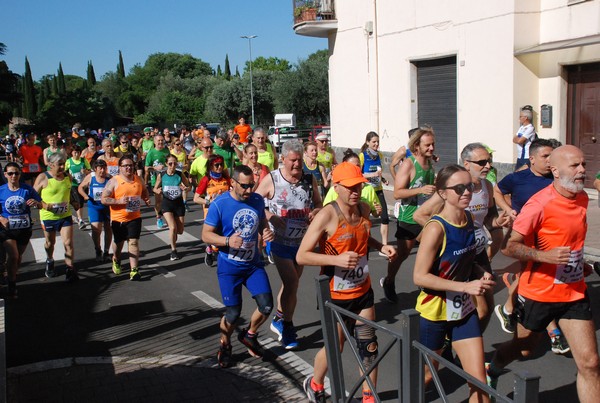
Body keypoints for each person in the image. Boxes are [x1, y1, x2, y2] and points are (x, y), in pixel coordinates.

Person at [486, 145, 600, 403]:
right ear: (556, 171)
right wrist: (544, 257)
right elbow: (509, 247)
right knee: (524, 349)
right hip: (538, 292)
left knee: (591, 363)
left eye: (583, 164)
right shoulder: (539, 204)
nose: (582, 170)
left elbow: (569, 241)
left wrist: (578, 264)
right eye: (575, 166)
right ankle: (493, 367)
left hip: (573, 293)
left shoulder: (581, 198)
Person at [297, 161, 397, 403]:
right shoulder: (327, 215)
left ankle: (368, 397)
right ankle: (315, 383)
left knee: (369, 347)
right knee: (336, 347)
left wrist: (380, 246)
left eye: (359, 187)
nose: (356, 192)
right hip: (336, 296)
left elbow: (362, 236)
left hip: (362, 291)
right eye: (350, 187)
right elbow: (302, 255)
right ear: (337, 186)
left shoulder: (363, 208)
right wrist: (337, 259)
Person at [414, 164, 495, 403]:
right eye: (459, 188)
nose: (467, 192)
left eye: (469, 186)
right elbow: (419, 276)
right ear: (442, 193)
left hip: (463, 310)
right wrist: (465, 287)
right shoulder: (435, 228)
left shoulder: (469, 218)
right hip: (434, 310)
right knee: (427, 376)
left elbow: (468, 257)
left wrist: (481, 272)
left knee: (479, 382)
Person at [414, 143, 511, 333]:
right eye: (481, 162)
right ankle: (453, 344)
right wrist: (446, 236)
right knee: (467, 307)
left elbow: (489, 219)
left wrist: (497, 223)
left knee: (487, 307)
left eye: (489, 161)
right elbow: (420, 215)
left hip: (477, 251)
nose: (487, 166)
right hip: (455, 252)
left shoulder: (487, 187)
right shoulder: (451, 190)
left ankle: (464, 345)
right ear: (466, 164)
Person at [492, 138, 570, 354]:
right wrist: (508, 210)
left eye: (552, 156)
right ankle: (554, 333)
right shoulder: (518, 178)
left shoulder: (557, 179)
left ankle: (508, 308)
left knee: (534, 277)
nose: (550, 161)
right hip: (523, 238)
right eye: (545, 156)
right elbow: (497, 190)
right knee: (537, 278)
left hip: (550, 237)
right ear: (532, 159)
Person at [201, 165, 275, 368]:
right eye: (244, 186)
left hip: (252, 265)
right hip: (229, 267)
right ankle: (225, 345)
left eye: (252, 185)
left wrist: (267, 232)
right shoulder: (220, 204)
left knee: (267, 305)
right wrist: (226, 242)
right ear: (232, 183)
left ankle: (249, 335)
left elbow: (261, 222)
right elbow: (205, 234)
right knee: (233, 313)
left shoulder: (257, 200)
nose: (249, 190)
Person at [256, 139, 323, 350]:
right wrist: (271, 217)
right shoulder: (272, 180)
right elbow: (254, 204)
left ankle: (278, 317)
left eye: (299, 160)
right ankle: (287, 326)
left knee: (289, 285)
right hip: (279, 242)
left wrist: (315, 212)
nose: (297, 165)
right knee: (293, 283)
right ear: (282, 159)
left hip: (302, 243)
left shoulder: (308, 179)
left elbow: (319, 202)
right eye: (293, 161)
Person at [380, 127, 436, 303]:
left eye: (433, 144)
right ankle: (389, 281)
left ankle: (427, 284)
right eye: (428, 145)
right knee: (402, 254)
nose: (432, 148)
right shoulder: (409, 164)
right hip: (409, 217)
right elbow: (397, 193)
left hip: (426, 215)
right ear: (417, 146)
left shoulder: (430, 163)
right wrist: (420, 189)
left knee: (432, 250)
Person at [101, 155, 151, 281]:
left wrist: (146, 198)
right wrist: (119, 201)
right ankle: (116, 259)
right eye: (125, 166)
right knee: (119, 243)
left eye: (131, 165)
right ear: (120, 168)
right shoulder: (114, 181)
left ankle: (134, 270)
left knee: (133, 242)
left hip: (135, 217)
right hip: (119, 219)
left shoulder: (138, 179)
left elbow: (144, 190)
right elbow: (104, 199)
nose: (129, 168)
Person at [34, 152, 79, 282]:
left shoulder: (67, 177)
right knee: (50, 243)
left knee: (68, 243)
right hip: (48, 216)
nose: (62, 167)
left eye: (63, 164)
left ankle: (70, 270)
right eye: (59, 164)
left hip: (65, 215)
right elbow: (32, 197)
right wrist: (43, 205)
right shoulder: (43, 178)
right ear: (51, 165)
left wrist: (73, 201)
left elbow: (69, 191)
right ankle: (49, 260)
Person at [0, 163, 42, 298]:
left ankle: (10, 272)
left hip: (24, 228)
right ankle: (12, 286)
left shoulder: (27, 189)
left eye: (16, 173)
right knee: (13, 256)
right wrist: (1, 219)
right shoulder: (1, 190)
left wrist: (36, 204)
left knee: (17, 258)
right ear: (5, 174)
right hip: (7, 230)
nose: (14, 176)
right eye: (10, 173)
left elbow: (41, 204)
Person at [194, 155, 231, 266]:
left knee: (224, 233)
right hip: (211, 211)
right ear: (210, 166)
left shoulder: (226, 178)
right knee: (212, 234)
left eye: (221, 164)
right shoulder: (206, 180)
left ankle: (222, 255)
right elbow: (196, 198)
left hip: (225, 211)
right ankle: (209, 249)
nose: (220, 167)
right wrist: (210, 202)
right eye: (216, 165)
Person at [322, 149, 382, 218]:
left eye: (358, 166)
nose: (355, 169)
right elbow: (325, 212)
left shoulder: (369, 188)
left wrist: (377, 212)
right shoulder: (335, 189)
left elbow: (375, 212)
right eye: (351, 166)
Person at [154, 154, 191, 261]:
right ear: (166, 164)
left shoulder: (180, 174)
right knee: (173, 227)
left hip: (178, 203)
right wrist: (158, 191)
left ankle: (173, 240)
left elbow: (189, 186)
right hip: (167, 203)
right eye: (170, 163)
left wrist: (185, 189)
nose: (172, 165)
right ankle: (173, 250)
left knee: (180, 231)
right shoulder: (162, 175)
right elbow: (155, 188)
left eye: (175, 163)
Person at [358, 132, 390, 252]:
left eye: (378, 142)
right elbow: (358, 174)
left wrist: (382, 179)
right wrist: (372, 175)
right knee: (364, 218)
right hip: (366, 190)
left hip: (378, 189)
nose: (376, 144)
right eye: (373, 142)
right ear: (367, 142)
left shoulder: (379, 155)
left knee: (385, 217)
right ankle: (364, 242)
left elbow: (378, 172)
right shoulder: (362, 156)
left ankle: (384, 245)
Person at [78, 159, 112, 262]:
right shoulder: (91, 177)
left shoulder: (110, 178)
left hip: (107, 207)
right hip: (94, 206)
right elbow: (80, 187)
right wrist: (85, 196)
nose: (102, 170)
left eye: (104, 168)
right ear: (95, 169)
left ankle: (106, 252)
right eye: (100, 168)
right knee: (96, 229)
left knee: (108, 229)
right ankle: (98, 249)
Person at [145, 134, 171, 229]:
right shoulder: (151, 152)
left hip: (167, 178)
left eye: (162, 140)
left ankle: (169, 218)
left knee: (168, 199)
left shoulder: (166, 151)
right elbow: (146, 168)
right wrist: (155, 167)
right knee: (158, 200)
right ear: (154, 142)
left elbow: (170, 162)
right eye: (158, 141)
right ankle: (159, 217)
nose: (160, 142)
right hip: (155, 180)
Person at [65, 145, 91, 229]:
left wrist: (85, 171)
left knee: (84, 201)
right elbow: (64, 172)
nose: (77, 154)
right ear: (72, 153)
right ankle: (80, 220)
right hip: (74, 184)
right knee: (78, 201)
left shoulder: (84, 160)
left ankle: (88, 217)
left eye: (78, 152)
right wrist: (69, 176)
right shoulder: (69, 161)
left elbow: (90, 171)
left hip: (83, 184)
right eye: (75, 152)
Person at [513, 105, 537, 170]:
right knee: (517, 173)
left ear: (526, 118)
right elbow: (514, 139)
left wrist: (518, 139)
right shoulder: (521, 128)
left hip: (526, 156)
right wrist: (518, 139)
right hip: (519, 156)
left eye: (521, 117)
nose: (519, 118)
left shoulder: (530, 128)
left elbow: (520, 141)